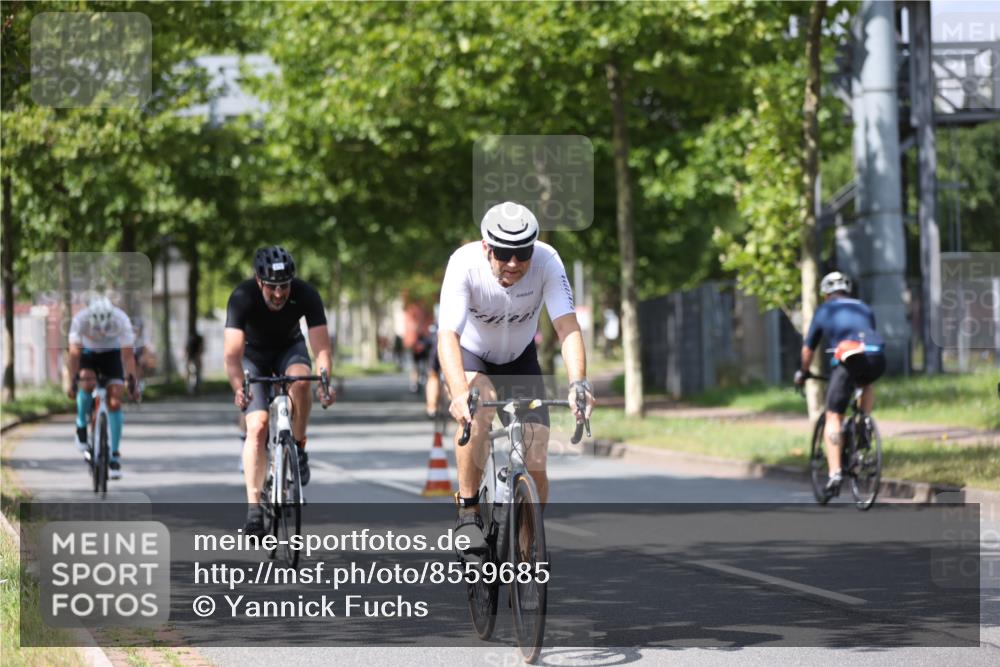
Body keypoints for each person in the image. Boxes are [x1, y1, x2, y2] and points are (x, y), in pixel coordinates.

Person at [438, 201, 596, 561]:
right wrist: (460, 393)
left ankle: (527, 550)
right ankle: (467, 510)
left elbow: (567, 326)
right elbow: (447, 334)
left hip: (520, 359)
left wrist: (579, 384)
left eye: (522, 254)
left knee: (536, 454)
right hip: (472, 355)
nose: (513, 264)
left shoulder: (548, 261)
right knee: (479, 408)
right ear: (486, 248)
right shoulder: (464, 264)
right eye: (505, 254)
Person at [224, 246, 336, 536]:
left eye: (284, 287)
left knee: (300, 382)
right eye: (272, 287)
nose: (278, 294)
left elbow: (322, 348)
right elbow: (232, 356)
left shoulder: (306, 293)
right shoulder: (242, 297)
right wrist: (239, 388)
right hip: (253, 355)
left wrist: (324, 382)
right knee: (258, 426)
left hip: (289, 349)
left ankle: (298, 448)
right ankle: (253, 509)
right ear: (259, 281)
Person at [794, 271, 886, 499]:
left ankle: (835, 473)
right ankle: (863, 423)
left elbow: (808, 350)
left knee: (833, 416)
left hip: (848, 359)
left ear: (826, 294)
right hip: (878, 358)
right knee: (865, 382)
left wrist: (803, 373)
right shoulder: (864, 307)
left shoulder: (825, 310)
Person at [66, 296, 140, 479]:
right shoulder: (80, 320)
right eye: (97, 328)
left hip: (112, 355)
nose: (101, 332)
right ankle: (81, 425)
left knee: (115, 400)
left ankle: (114, 454)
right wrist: (72, 381)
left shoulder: (121, 319)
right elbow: (74, 354)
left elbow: (128, 356)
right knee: (86, 380)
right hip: (88, 353)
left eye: (106, 327)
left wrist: (132, 382)